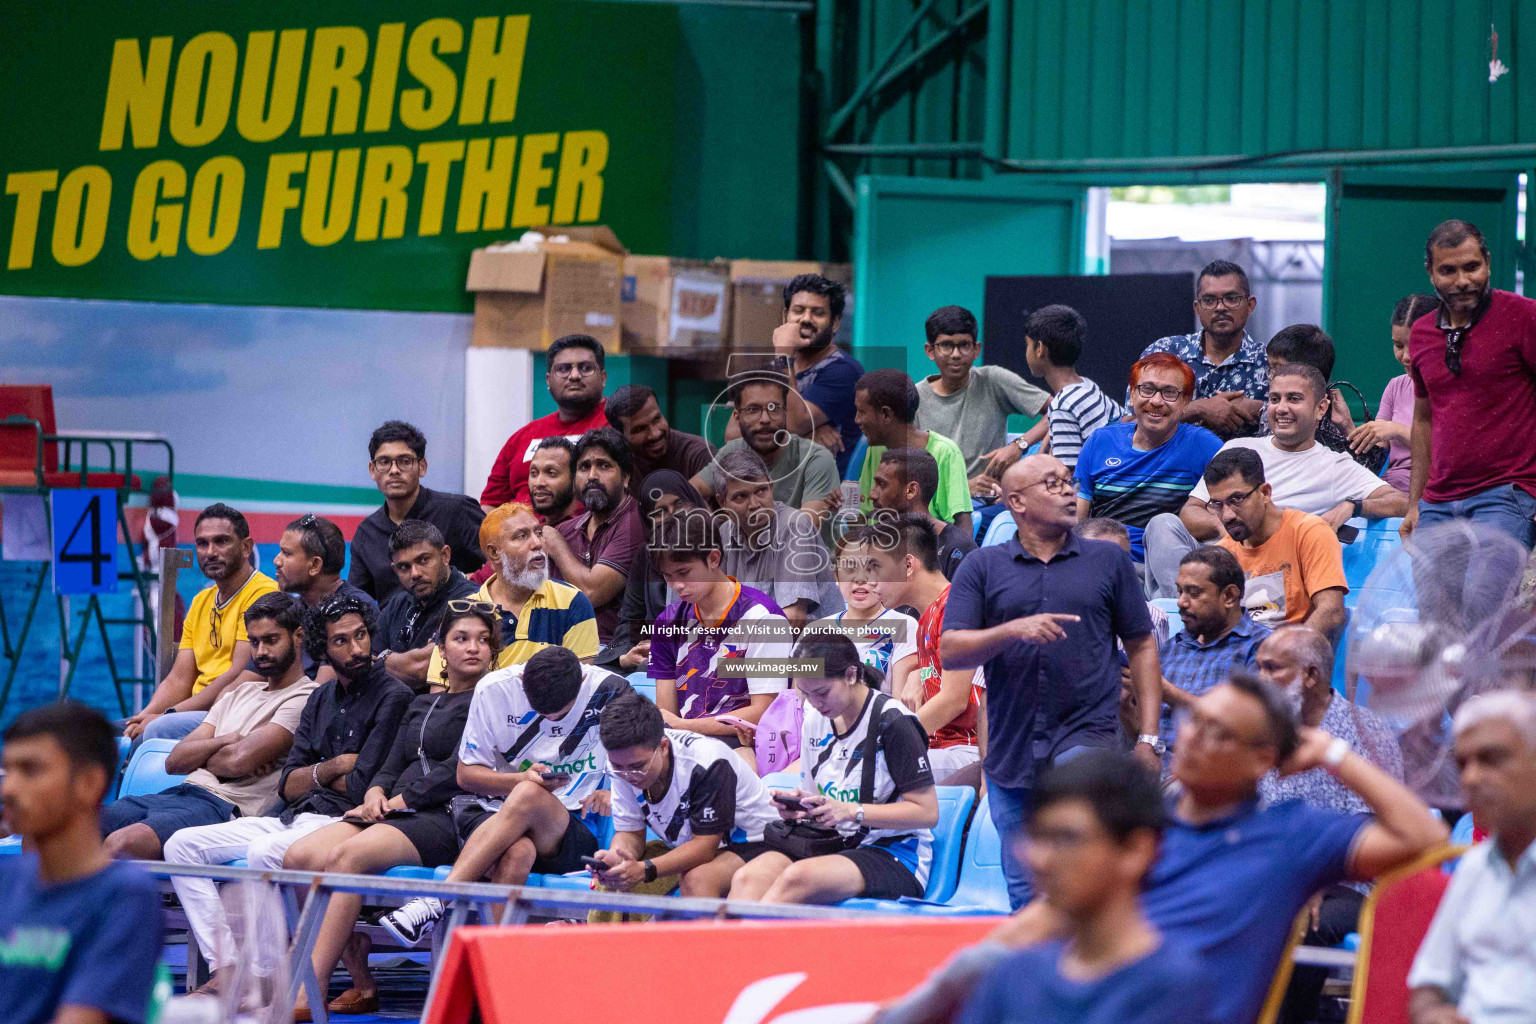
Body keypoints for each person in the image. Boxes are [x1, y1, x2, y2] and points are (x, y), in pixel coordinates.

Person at [880, 674, 1449, 1024]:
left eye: (1221, 732)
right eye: (1197, 720)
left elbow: (1423, 838)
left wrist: (1331, 754)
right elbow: (1048, 917)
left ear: (1261, 760)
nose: (1197, 737)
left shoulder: (1293, 833)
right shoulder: (1135, 820)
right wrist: (944, 985)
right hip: (1091, 999)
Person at [163, 593, 412, 1008]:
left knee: (265, 853)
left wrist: (314, 776)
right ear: (322, 648)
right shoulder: (320, 698)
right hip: (294, 816)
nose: (356, 648)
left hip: (344, 822)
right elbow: (287, 785)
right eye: (341, 641)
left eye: (362, 636)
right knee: (181, 846)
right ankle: (228, 967)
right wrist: (332, 768)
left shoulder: (393, 696)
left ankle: (264, 975)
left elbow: (362, 784)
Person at [943, 454, 1164, 907]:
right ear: (1016, 502)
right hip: (1011, 749)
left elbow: (1142, 646)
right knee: (1024, 890)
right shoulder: (982, 566)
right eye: (1052, 483)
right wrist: (1011, 630)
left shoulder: (1108, 562)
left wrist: (1148, 738)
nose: (1068, 490)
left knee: (1081, 875)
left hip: (1088, 735)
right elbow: (951, 649)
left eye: (1068, 481)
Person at [283, 603, 499, 1020]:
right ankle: (344, 965)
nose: (474, 648)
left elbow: (460, 769)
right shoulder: (419, 704)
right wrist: (377, 791)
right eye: (461, 639)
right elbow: (392, 761)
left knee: (347, 857)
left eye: (483, 640)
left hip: (443, 816)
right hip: (394, 810)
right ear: (440, 648)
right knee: (299, 857)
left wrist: (405, 800)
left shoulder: (490, 702)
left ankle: (309, 986)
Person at [378, 646, 632, 944]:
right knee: (518, 850)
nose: (550, 719)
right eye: (540, 711)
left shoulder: (612, 690)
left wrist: (614, 788)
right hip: (490, 817)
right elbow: (465, 776)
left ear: (581, 682)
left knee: (527, 793)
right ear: (523, 678)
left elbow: (647, 752)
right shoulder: (493, 690)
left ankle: (437, 900)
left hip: (569, 827)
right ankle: (500, 969)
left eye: (560, 714)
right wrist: (518, 778)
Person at [954, 751, 1213, 1024]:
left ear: (1136, 851)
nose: (1041, 860)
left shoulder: (1172, 987)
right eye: (1037, 838)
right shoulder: (1015, 973)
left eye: (1066, 838)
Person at [1254, 624, 1402, 1024]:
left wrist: (1314, 878)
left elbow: (1371, 827)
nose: (1261, 680)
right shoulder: (1261, 732)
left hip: (1347, 884)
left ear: (1311, 675)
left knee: (1305, 922)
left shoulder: (1365, 731)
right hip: (1272, 872)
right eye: (1259, 669)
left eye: (1272, 669)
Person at [102, 592, 320, 859]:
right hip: (180, 792)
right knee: (70, 829)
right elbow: (175, 762)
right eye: (254, 642)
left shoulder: (306, 697)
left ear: (298, 637)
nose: (260, 651)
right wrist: (226, 741)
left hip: (225, 807)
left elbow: (238, 761)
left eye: (271, 640)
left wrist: (209, 754)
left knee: (121, 844)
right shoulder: (240, 693)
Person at [728, 631, 940, 904]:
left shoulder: (895, 723)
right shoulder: (814, 719)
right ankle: (738, 944)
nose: (814, 703)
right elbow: (820, 799)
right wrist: (802, 807)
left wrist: (851, 811)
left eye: (822, 692)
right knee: (748, 878)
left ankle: (761, 945)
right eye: (805, 694)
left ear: (851, 675)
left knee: (797, 879)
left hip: (893, 851)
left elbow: (927, 812)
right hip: (831, 842)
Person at [0, 702, 164, 1024]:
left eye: (31, 770)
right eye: (8, 771)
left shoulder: (125, 895)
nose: (9, 789)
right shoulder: (7, 879)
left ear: (89, 783)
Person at [1403, 219, 1536, 546]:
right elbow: (1423, 419)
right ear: (1430, 273)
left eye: (1472, 267)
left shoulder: (1523, 316)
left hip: (1507, 493)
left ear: (1488, 262)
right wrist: (1414, 504)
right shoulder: (1421, 333)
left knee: (1482, 596)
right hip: (1437, 502)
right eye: (1448, 271)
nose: (1463, 281)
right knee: (1434, 599)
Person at [1409, 692, 1536, 1024]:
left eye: (1492, 759)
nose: (1471, 778)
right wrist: (1433, 1014)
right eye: (1463, 764)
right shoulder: (1475, 868)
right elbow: (1429, 986)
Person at [1179, 364, 1407, 541]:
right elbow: (1190, 512)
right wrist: (1225, 525)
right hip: (1216, 558)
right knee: (1163, 527)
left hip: (1276, 570)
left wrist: (1351, 507)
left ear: (1321, 408)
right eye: (1275, 399)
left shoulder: (1336, 466)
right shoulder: (1237, 448)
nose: (1281, 408)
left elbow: (1402, 502)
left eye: (1294, 399)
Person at [589, 692, 780, 897]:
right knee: (615, 883)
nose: (628, 776)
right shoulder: (623, 763)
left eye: (637, 767)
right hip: (698, 845)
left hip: (758, 841)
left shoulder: (707, 762)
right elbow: (630, 832)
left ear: (662, 747)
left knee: (697, 880)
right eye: (618, 767)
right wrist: (617, 857)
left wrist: (645, 870)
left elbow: (703, 848)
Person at [123, 503, 279, 742]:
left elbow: (236, 674)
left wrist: (167, 715)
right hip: (193, 711)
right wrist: (143, 716)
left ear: (246, 547)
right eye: (202, 543)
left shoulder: (263, 595)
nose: (210, 552)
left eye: (222, 541)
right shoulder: (201, 601)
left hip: (232, 713)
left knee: (156, 730)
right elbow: (179, 678)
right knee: (114, 734)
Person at [647, 508, 792, 742]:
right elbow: (667, 715)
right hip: (683, 741)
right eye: (668, 576)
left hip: (744, 743)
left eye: (684, 572)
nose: (676, 585)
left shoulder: (764, 619)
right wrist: (680, 730)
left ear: (713, 558)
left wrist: (686, 726)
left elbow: (764, 711)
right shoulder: (667, 622)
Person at [426, 502, 599, 683]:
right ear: (494, 553)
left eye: (538, 533)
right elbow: (441, 696)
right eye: (521, 536)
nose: (537, 543)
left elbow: (577, 689)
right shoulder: (461, 612)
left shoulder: (572, 602)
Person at [1075, 354, 1222, 566]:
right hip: (1104, 560)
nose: (1156, 401)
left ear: (1185, 402)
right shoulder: (1100, 441)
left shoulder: (1205, 446)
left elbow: (1230, 508)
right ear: (1132, 395)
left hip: (1168, 563)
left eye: (1169, 393)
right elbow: (1077, 518)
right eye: (1147, 389)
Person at [877, 514, 983, 786]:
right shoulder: (926, 619)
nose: (872, 583)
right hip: (939, 750)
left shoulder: (956, 607)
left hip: (967, 751)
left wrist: (887, 740)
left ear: (908, 565)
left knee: (874, 769)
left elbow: (954, 699)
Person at [1201, 448, 1348, 637]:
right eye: (1217, 504)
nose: (1227, 515)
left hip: (1290, 657)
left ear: (1264, 493)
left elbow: (1331, 611)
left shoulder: (1309, 532)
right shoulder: (1221, 554)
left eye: (1236, 499)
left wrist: (1284, 652)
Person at [914, 304, 1049, 503]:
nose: (956, 354)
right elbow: (909, 475)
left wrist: (1018, 445)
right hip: (936, 502)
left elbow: (1059, 409)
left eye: (964, 345)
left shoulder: (993, 380)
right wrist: (960, 488)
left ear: (976, 349)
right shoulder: (915, 397)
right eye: (946, 345)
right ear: (930, 350)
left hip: (987, 502)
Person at [1154, 546, 1270, 772]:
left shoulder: (1262, 648)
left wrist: (1167, 692)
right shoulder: (1172, 647)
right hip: (1152, 767)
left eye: (1193, 593)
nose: (1181, 602)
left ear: (1229, 596)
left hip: (1214, 773)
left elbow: (1249, 728)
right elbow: (1142, 730)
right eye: (1179, 591)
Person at [351, 420, 485, 603]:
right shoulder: (367, 532)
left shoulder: (457, 510)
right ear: (372, 470)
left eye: (405, 461)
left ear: (422, 467)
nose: (394, 471)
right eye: (384, 462)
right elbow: (359, 601)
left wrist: (461, 586)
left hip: (458, 622)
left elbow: (499, 563)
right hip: (394, 630)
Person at [712, 448, 844, 629]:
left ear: (771, 486)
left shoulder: (794, 526)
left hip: (811, 651)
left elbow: (792, 619)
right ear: (722, 502)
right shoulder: (724, 533)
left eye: (761, 491)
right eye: (741, 496)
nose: (755, 504)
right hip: (753, 645)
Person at [1137, 259, 1268, 438]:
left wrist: (1258, 409)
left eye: (1231, 299)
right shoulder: (1165, 352)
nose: (1220, 307)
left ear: (1250, 305)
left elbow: (1309, 420)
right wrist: (1198, 409)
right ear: (1197, 308)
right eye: (1209, 300)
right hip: (1172, 465)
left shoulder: (1270, 361)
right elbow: (1129, 425)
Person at [481, 334, 612, 508]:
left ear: (603, 378)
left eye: (585, 368)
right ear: (549, 381)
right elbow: (490, 504)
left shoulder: (620, 424)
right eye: (563, 369)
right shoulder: (521, 438)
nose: (574, 375)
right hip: (520, 532)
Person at [693, 370, 841, 523]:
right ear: (737, 417)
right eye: (753, 409)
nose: (765, 419)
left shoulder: (815, 458)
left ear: (785, 412)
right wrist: (707, 521)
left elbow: (805, 526)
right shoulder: (733, 451)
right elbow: (691, 489)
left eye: (774, 408)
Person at [543, 427, 645, 645]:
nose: (592, 476)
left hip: (614, 651)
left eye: (604, 466)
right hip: (561, 647)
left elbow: (591, 592)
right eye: (584, 467)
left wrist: (556, 546)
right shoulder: (565, 531)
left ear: (625, 477)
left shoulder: (636, 522)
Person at [603, 470, 706, 671]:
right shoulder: (647, 555)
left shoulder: (716, 543)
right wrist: (624, 655)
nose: (672, 516)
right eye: (660, 512)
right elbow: (630, 622)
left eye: (678, 505)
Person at [854, 368, 972, 538]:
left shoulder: (946, 453)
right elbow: (862, 517)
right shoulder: (874, 450)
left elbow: (963, 531)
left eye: (861, 412)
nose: (856, 420)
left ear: (886, 414)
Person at [769, 272, 864, 474]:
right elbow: (732, 433)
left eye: (818, 313)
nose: (806, 319)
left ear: (835, 323)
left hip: (827, 496)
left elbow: (793, 424)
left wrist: (783, 352)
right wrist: (808, 433)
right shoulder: (774, 367)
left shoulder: (843, 371)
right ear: (785, 316)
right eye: (798, 311)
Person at [809, 526, 919, 695]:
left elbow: (901, 706)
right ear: (837, 575)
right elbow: (799, 701)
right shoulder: (814, 630)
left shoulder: (904, 627)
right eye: (850, 568)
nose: (860, 579)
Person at [1350, 294, 1439, 493]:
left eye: (1417, 345)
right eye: (1399, 346)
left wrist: (1397, 430)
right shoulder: (1395, 386)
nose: (1406, 356)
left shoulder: (1458, 388)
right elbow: (1377, 451)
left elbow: (1452, 452)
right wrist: (1345, 424)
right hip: (1392, 487)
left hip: (1437, 489)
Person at [375, 520, 479, 685]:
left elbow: (423, 668)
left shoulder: (469, 600)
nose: (414, 573)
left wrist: (382, 658)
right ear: (395, 569)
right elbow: (364, 661)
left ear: (445, 556)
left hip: (441, 707)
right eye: (404, 567)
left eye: (423, 560)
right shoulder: (398, 603)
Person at [1024, 304, 1124, 471]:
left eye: (1027, 345)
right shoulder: (1088, 386)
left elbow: (1066, 480)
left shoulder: (1063, 406)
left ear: (1039, 349)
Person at [869, 447, 976, 580]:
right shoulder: (879, 542)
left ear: (911, 491)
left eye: (882, 485)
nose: (872, 495)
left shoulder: (958, 551)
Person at [605, 383, 713, 496]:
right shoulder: (617, 464)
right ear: (621, 435)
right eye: (640, 429)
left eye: (657, 419)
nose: (655, 434)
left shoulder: (699, 455)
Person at [527, 436, 584, 528]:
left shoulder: (588, 530)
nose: (539, 482)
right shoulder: (532, 529)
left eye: (551, 473)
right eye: (534, 473)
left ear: (575, 479)